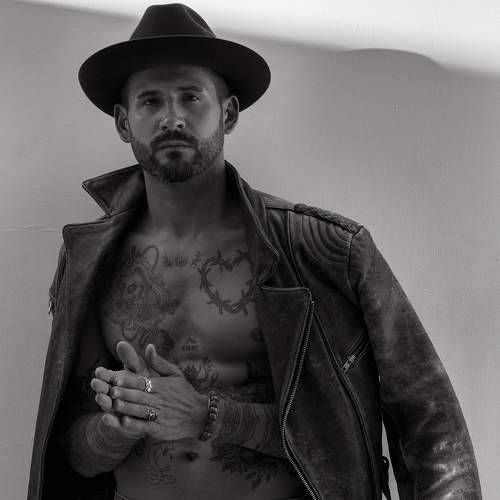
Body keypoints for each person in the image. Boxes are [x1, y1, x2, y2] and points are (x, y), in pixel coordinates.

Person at [28, 4, 481, 500]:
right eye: (150, 101)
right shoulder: (92, 261)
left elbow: (428, 423)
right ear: (123, 122)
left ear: (228, 113)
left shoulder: (326, 250)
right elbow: (72, 453)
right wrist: (117, 428)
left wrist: (207, 416)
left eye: (191, 97)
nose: (171, 117)